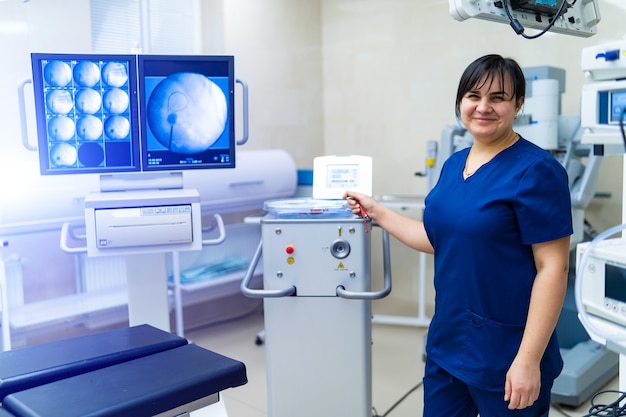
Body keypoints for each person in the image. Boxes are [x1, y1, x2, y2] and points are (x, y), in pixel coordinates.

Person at [344, 54, 572, 417]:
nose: (483, 107)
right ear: (460, 102)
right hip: (448, 343)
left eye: (498, 97)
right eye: (473, 96)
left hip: (508, 351)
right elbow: (439, 239)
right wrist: (379, 213)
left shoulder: (537, 171)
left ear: (518, 104)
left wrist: (528, 360)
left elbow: (553, 269)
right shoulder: (454, 165)